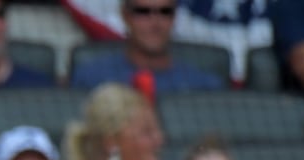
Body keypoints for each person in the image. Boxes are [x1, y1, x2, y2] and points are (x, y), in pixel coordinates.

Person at [70, 0, 225, 93]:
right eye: (143, 12)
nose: (155, 23)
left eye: (165, 12)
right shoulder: (92, 79)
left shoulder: (204, 86)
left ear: (174, 17)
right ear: (125, 15)